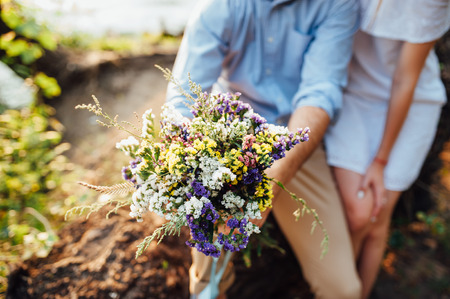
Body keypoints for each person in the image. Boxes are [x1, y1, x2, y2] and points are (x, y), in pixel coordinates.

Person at [166, 0, 362, 298]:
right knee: (207, 281)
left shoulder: (338, 5)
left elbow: (320, 93)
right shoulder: (221, 6)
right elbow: (184, 102)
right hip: (227, 138)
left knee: (343, 289)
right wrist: (190, 167)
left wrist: (266, 188)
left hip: (296, 138)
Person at [324, 0, 450, 298]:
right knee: (359, 213)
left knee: (378, 219)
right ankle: (340, 290)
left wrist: (380, 161)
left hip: (411, 102)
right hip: (354, 94)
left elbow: (405, 81)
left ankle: (355, 293)